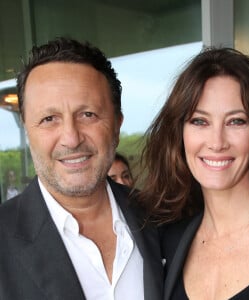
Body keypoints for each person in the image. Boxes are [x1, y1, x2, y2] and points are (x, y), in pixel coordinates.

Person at [0, 37, 163, 300]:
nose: (71, 138)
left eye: (88, 114)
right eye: (49, 119)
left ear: (117, 125)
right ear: (28, 131)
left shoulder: (160, 219)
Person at [138, 47, 249, 300]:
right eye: (199, 121)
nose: (217, 142)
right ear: (179, 134)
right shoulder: (166, 242)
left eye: (236, 121)